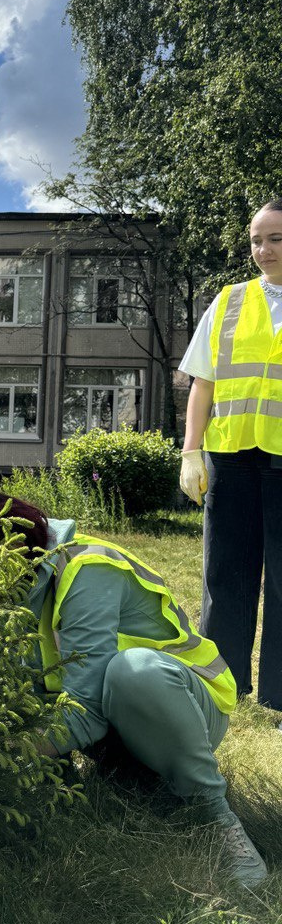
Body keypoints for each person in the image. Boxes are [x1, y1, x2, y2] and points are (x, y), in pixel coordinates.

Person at [0, 488, 267, 888]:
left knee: (133, 671)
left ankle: (216, 817)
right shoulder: (0, 590)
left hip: (182, 711)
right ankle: (74, 786)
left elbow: (88, 713)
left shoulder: (87, 570)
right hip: (116, 726)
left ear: (20, 557)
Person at [178, 199, 282, 710]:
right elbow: (202, 383)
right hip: (231, 458)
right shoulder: (230, 301)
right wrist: (190, 452)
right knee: (225, 576)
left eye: (275, 239)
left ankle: (281, 699)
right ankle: (221, 687)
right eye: (256, 241)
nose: (263, 251)